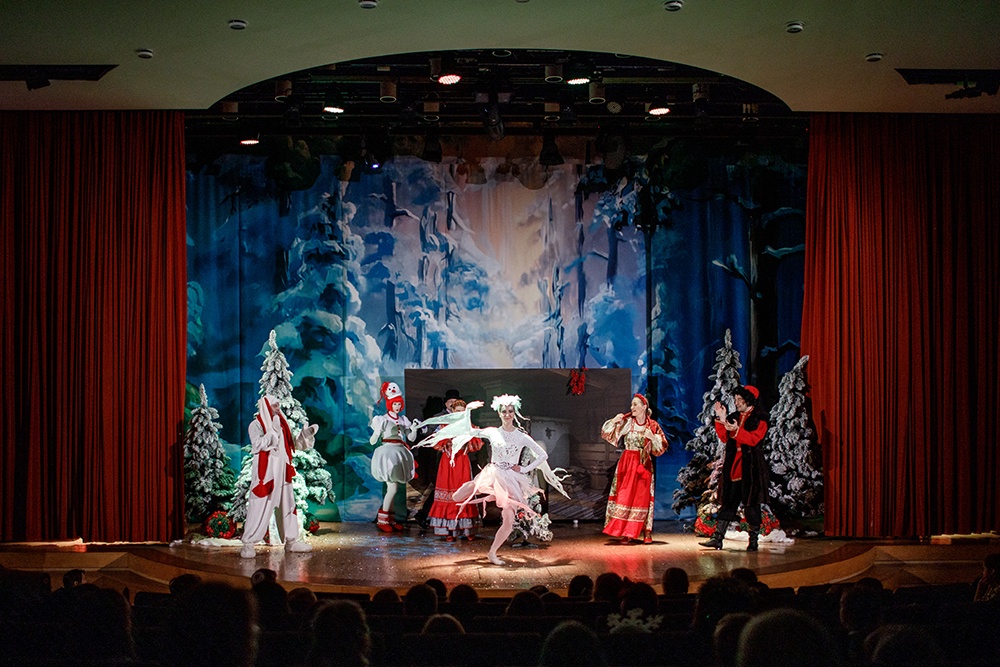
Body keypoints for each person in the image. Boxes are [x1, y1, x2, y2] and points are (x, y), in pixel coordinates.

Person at [416, 394, 569, 566]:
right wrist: (467, 411)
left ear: (514, 413)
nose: (507, 414)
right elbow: (470, 432)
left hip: (511, 479)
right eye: (504, 411)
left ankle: (492, 553)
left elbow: (542, 455)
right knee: (458, 496)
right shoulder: (493, 431)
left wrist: (523, 469)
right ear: (499, 413)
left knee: (509, 520)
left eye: (510, 411)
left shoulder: (521, 436)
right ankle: (455, 505)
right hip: (493, 473)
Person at [240, 395, 317, 558]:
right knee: (259, 506)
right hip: (266, 473)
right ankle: (248, 543)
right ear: (266, 407)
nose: (278, 408)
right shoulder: (256, 425)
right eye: (274, 406)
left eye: (278, 405)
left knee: (288, 505)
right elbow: (257, 445)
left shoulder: (282, 425)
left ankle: (292, 541)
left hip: (283, 470)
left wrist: (305, 435)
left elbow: (293, 445)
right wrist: (272, 432)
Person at [699, 385, 769, 552]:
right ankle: (718, 538)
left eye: (740, 400)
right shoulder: (734, 417)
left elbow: (753, 440)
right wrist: (722, 418)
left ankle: (753, 541)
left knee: (751, 503)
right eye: (736, 399)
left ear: (749, 400)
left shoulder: (759, 419)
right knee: (729, 501)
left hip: (750, 467)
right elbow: (725, 437)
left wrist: (737, 430)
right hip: (734, 465)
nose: (736, 403)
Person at [601, 393, 668, 544]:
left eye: (635, 404)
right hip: (627, 463)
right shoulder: (627, 423)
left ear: (644, 407)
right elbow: (607, 434)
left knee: (642, 499)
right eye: (631, 405)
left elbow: (662, 447)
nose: (632, 407)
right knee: (625, 496)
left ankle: (646, 532)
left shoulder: (653, 426)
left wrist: (652, 438)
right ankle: (626, 532)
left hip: (643, 464)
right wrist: (614, 421)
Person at [425, 399, 484, 541]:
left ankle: (467, 529)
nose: (460, 414)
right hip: (447, 463)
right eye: (457, 411)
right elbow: (435, 442)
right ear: (452, 412)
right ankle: (449, 531)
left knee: (463, 491)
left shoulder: (468, 426)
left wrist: (469, 437)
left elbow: (476, 445)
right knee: (447, 491)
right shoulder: (444, 426)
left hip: (462, 461)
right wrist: (446, 439)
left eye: (462, 411)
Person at [369, 381, 416, 532]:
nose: (397, 406)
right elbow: (372, 441)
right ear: (390, 404)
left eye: (399, 404)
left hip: (399, 453)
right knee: (392, 488)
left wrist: (414, 428)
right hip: (388, 454)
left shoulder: (403, 420)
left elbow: (411, 438)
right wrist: (377, 431)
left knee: (394, 488)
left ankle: (389, 519)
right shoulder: (382, 419)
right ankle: (383, 521)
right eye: (394, 404)